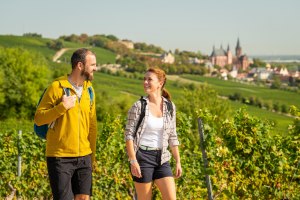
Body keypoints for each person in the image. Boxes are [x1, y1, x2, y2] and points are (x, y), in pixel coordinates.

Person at [34, 48, 98, 200]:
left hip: (84, 156)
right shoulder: (57, 87)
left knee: (84, 198)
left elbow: (92, 126)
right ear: (80, 65)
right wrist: (62, 107)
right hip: (60, 157)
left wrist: (92, 157)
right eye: (93, 64)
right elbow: (39, 118)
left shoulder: (90, 90)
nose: (96, 68)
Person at [124, 67, 182, 200]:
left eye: (149, 79)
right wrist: (133, 161)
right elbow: (129, 135)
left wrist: (178, 161)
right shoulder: (139, 106)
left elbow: (172, 135)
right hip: (142, 158)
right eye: (144, 79)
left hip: (162, 158)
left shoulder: (170, 107)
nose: (145, 82)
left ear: (160, 83)